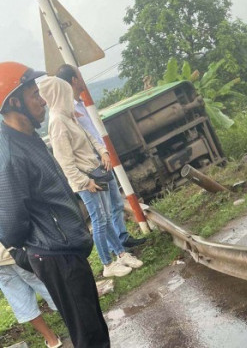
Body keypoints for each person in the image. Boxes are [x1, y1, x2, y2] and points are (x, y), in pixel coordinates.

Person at [0, 62, 109, 347]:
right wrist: (29, 250)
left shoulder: (28, 138)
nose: (42, 100)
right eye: (35, 94)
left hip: (65, 249)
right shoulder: (10, 153)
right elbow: (11, 222)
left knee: (93, 327)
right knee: (89, 336)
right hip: (55, 254)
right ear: (14, 102)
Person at [39, 76, 143, 279]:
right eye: (66, 93)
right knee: (99, 220)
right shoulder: (58, 122)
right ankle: (107, 264)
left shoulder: (68, 115)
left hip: (95, 171)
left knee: (104, 216)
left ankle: (121, 254)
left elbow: (88, 135)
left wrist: (103, 152)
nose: (70, 96)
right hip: (86, 179)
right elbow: (64, 161)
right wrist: (85, 182)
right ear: (59, 94)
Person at [56, 64, 146, 250]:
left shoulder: (80, 104)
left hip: (102, 159)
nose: (82, 80)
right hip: (93, 166)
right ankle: (115, 250)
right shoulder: (68, 110)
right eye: (79, 76)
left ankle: (121, 240)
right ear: (74, 80)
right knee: (103, 213)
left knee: (114, 204)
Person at [0, 243, 62, 348]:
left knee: (21, 302)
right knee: (49, 288)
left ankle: (52, 340)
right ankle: (78, 324)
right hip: (17, 249)